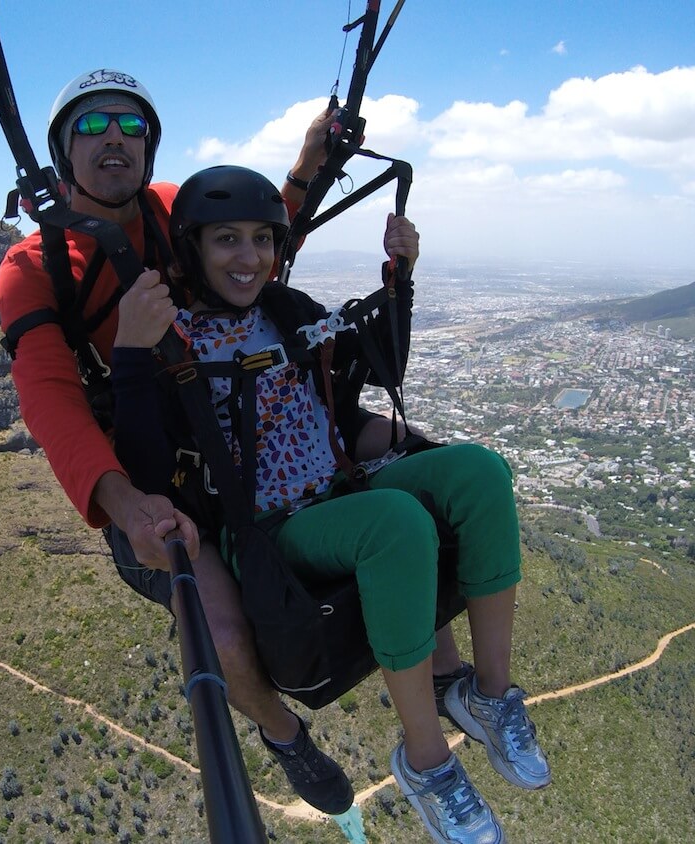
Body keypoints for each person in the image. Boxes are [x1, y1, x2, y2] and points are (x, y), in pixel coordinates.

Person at [109, 165, 551, 843]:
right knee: (397, 524)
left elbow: (368, 375)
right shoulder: (170, 337)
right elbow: (143, 462)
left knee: (479, 472)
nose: (250, 257)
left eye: (263, 239)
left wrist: (400, 280)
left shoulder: (287, 311)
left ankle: (488, 696)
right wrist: (133, 353)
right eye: (227, 239)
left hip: (339, 487)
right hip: (270, 526)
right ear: (193, 247)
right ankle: (427, 762)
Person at [0, 69, 358, 813]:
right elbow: (50, 396)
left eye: (130, 126)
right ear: (64, 152)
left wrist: (308, 165)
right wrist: (126, 506)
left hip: (227, 435)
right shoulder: (32, 268)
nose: (114, 139)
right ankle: (285, 734)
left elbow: (248, 246)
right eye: (91, 128)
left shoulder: (168, 212)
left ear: (151, 147)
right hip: (147, 475)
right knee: (221, 629)